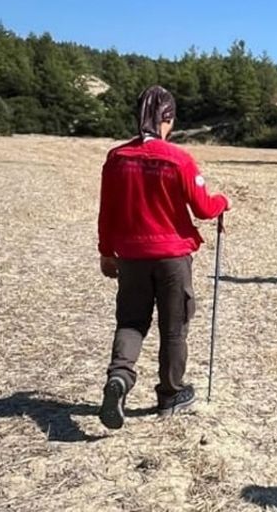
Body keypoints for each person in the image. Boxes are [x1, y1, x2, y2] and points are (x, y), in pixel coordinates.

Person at [96, 85, 230, 429]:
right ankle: (171, 393)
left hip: (130, 255)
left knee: (130, 321)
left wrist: (106, 252)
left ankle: (120, 377)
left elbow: (106, 211)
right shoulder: (179, 159)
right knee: (174, 328)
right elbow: (203, 208)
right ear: (167, 118)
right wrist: (222, 202)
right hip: (172, 256)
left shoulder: (116, 159)